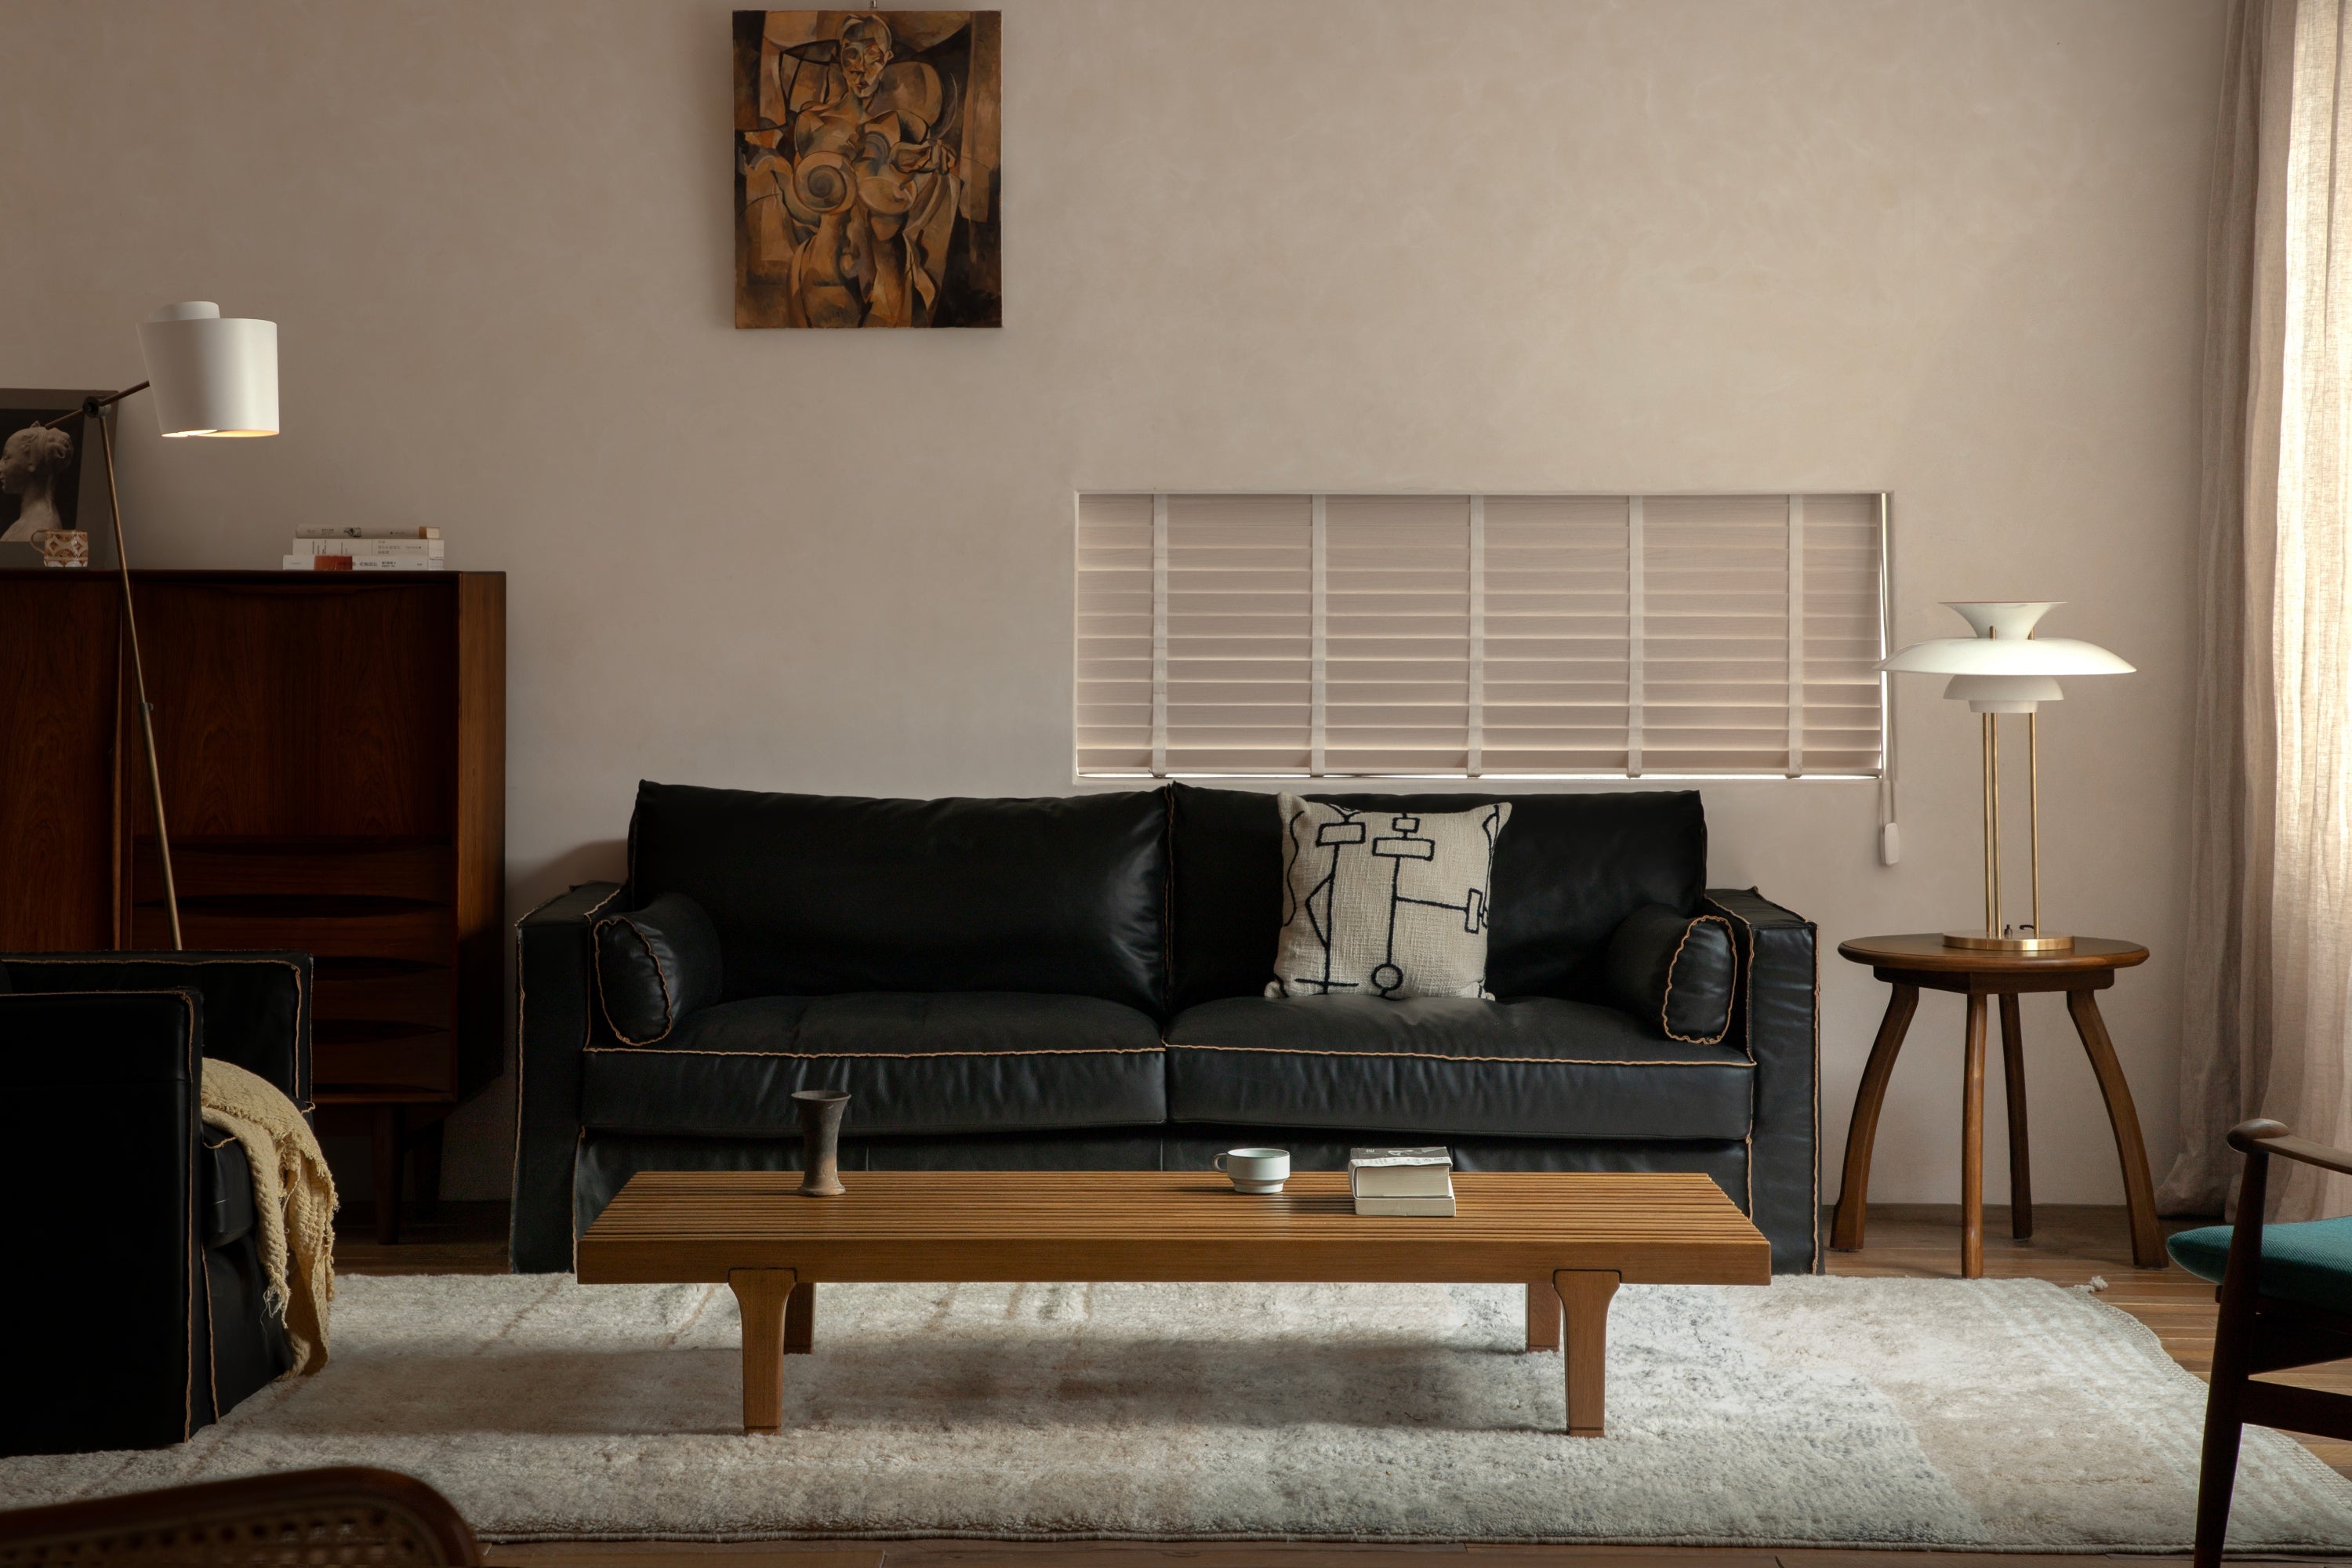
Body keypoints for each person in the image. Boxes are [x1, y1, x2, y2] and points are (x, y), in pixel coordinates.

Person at [0, 423, 74, 543]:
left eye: (6, 458)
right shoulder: (27, 522)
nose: (1, 466)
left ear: (32, 462)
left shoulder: (38, 532)